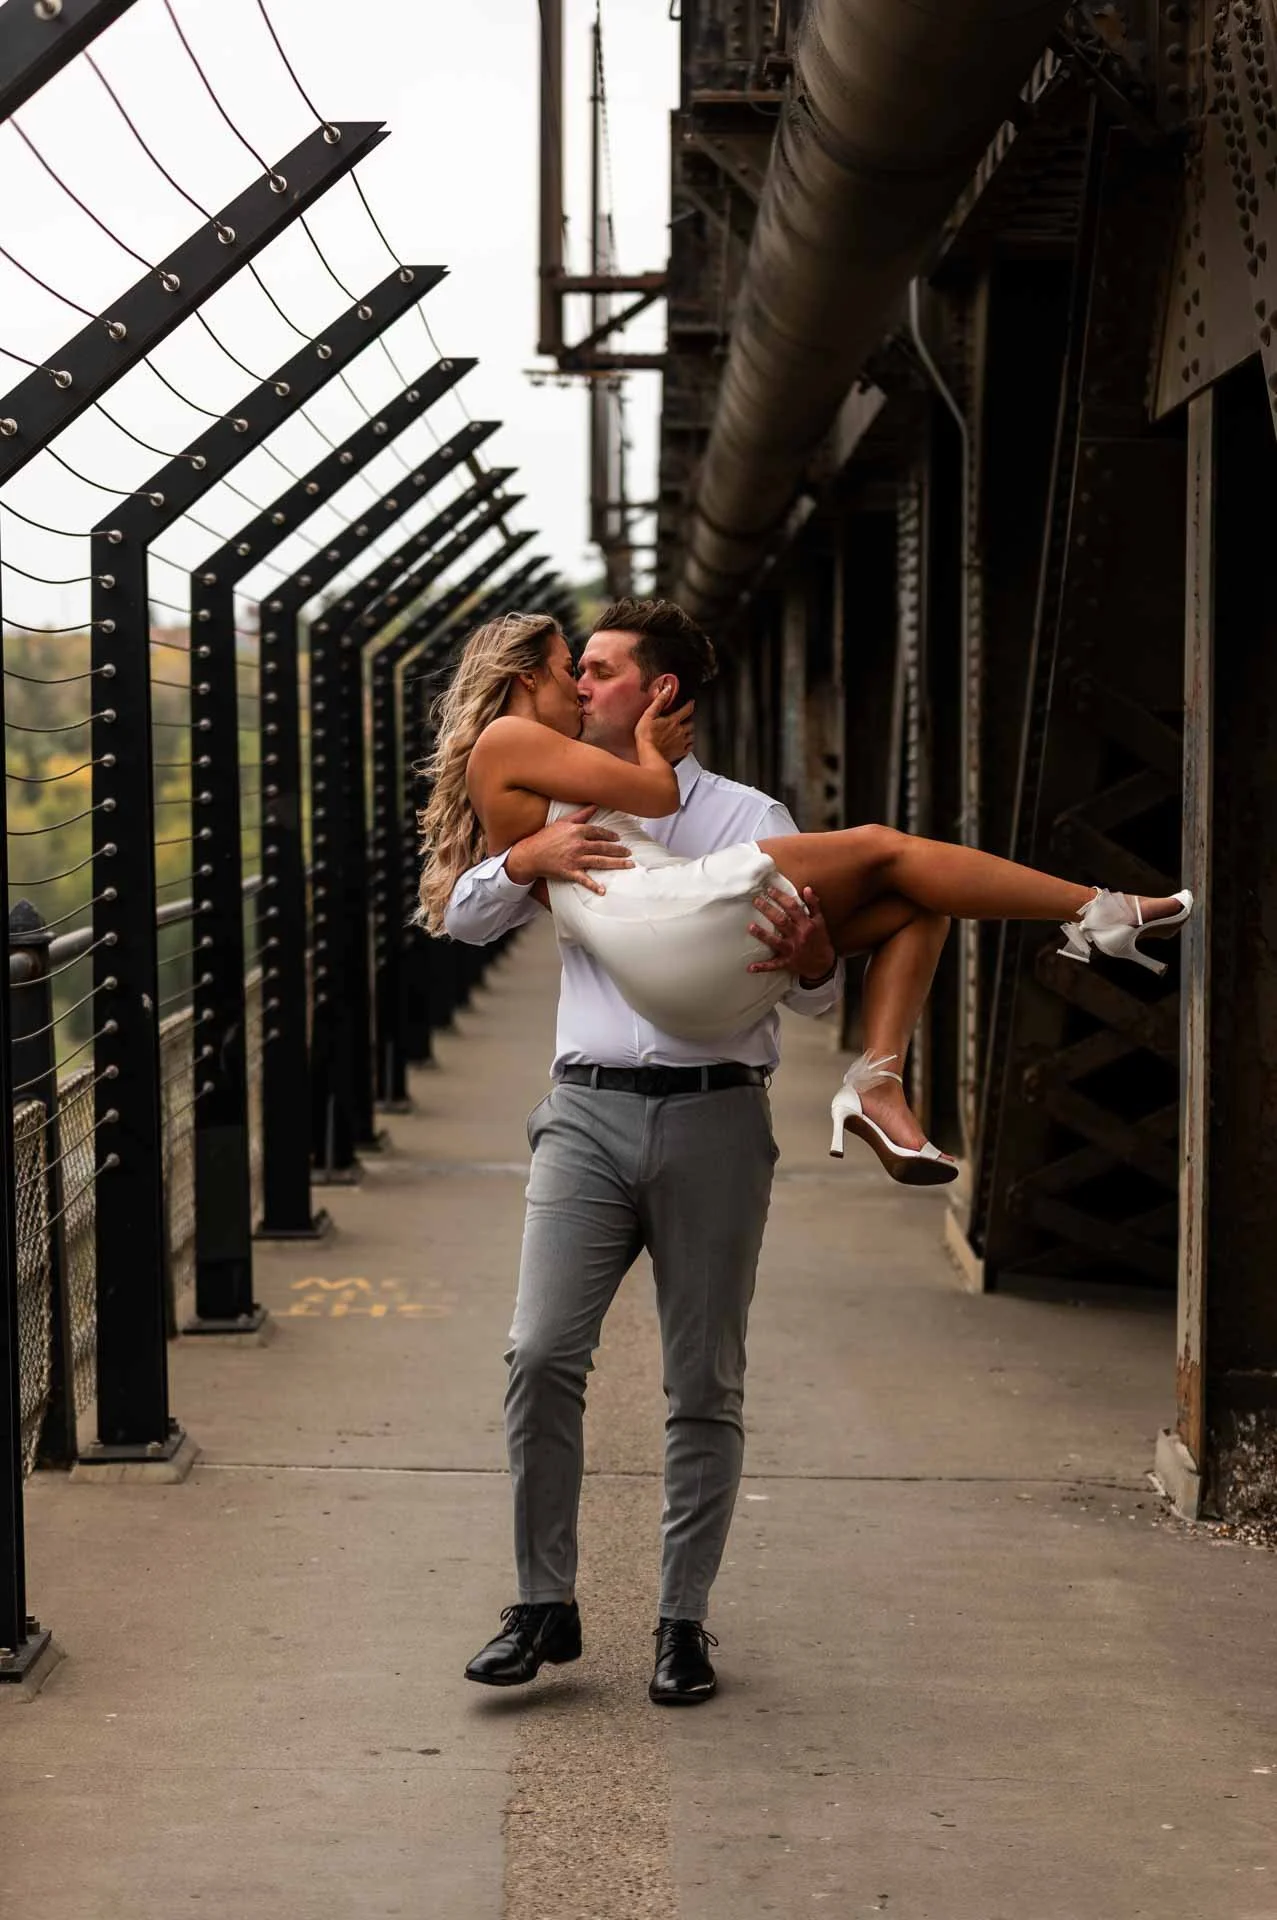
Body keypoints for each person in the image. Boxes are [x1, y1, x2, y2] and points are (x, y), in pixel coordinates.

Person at [427, 599, 1191, 1704]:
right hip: (586, 1111)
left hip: (717, 1116)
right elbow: (461, 917)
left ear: (661, 694)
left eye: (598, 672)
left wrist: (820, 952)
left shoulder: (747, 812)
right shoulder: (546, 791)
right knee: (539, 1353)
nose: (580, 687)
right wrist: (528, 856)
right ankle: (541, 1602)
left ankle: (681, 1623)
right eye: (572, 670)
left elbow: (805, 989)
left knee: (704, 1383)